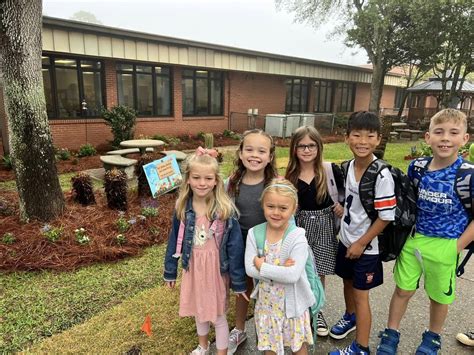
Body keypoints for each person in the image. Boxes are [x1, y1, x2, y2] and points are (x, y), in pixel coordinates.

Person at [376, 109, 474, 355]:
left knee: (438, 296)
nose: (445, 138)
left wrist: (457, 247)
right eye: (439, 132)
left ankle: (432, 337)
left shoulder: (468, 175)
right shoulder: (417, 167)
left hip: (446, 244)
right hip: (414, 239)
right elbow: (408, 202)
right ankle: (391, 332)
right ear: (427, 137)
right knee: (402, 290)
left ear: (465, 139)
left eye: (453, 133)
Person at [163, 147, 248, 355]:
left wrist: (238, 282)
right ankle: (202, 346)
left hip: (216, 271)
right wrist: (170, 271)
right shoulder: (182, 207)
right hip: (193, 268)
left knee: (217, 315)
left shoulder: (224, 210)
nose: (202, 183)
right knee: (199, 312)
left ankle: (222, 352)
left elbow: (235, 248)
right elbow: (174, 240)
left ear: (216, 181)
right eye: (197, 177)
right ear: (188, 180)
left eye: (208, 178)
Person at [329, 111, 396, 355]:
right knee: (347, 283)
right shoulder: (347, 167)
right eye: (356, 135)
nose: (362, 141)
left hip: (367, 247)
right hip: (346, 240)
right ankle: (350, 317)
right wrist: (342, 208)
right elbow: (352, 200)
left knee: (361, 295)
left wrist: (361, 243)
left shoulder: (382, 174)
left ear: (378, 139)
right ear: (347, 137)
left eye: (370, 135)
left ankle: (362, 347)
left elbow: (386, 217)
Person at [285, 125, 344, 337]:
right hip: (300, 227)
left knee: (318, 272)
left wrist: (341, 206)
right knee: (299, 269)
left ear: (319, 147)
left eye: (311, 145)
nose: (307, 150)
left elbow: (347, 195)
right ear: (294, 149)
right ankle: (301, 310)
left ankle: (317, 310)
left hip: (325, 226)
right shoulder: (290, 176)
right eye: (302, 146)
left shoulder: (329, 170)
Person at [245, 178, 315, 355]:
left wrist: (263, 266)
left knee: (298, 347)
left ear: (294, 208)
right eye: (270, 206)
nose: (276, 212)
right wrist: (281, 269)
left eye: (283, 208)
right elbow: (249, 269)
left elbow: (292, 276)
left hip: (294, 307)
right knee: (271, 349)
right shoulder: (255, 233)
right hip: (267, 307)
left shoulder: (297, 236)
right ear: (263, 205)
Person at [226, 129, 278, 354]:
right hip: (239, 246)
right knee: (242, 288)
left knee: (266, 290)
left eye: (261, 151)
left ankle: (266, 332)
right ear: (240, 153)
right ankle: (239, 329)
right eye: (249, 149)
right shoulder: (232, 182)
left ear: (270, 156)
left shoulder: (275, 184)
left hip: (266, 247)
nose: (254, 155)